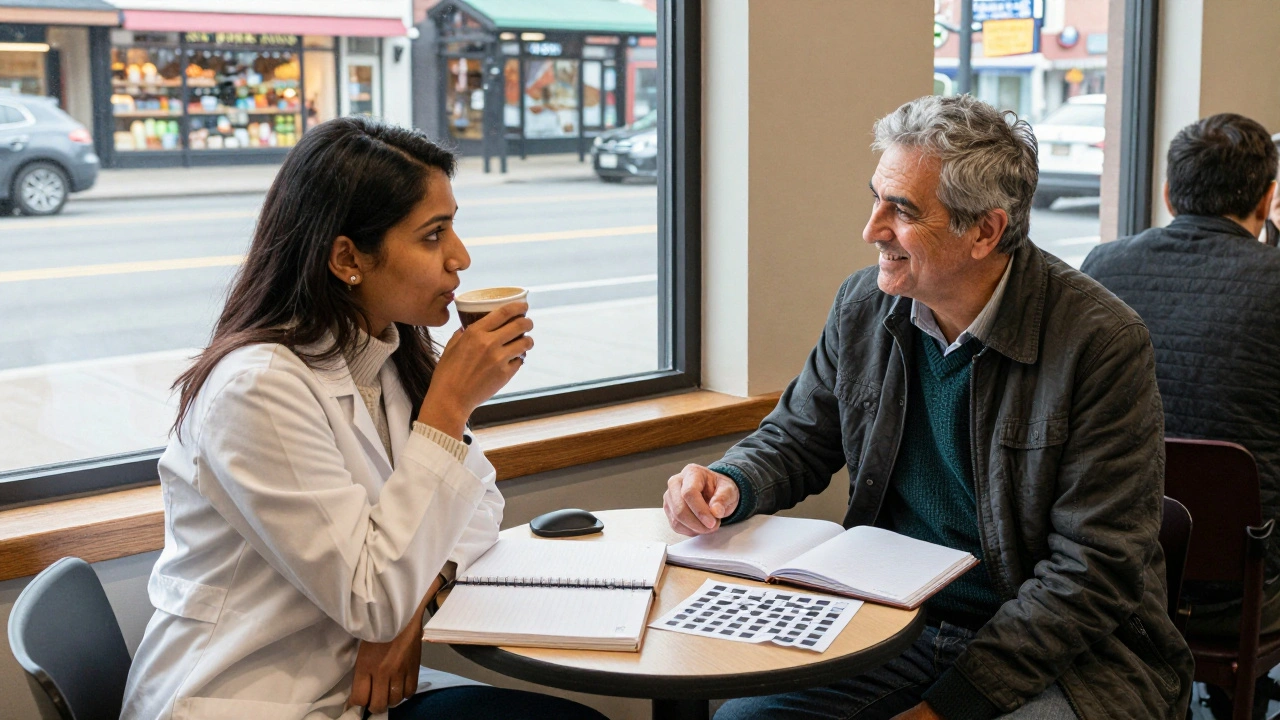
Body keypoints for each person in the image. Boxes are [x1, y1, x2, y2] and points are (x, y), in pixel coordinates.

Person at [664, 95, 1194, 720]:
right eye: (875, 198)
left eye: (903, 211)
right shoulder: (864, 304)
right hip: (895, 624)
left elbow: (1090, 573)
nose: (871, 230)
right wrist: (730, 481)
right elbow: (798, 436)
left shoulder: (1099, 341)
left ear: (986, 231)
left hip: (1066, 654)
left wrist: (949, 708)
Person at [120, 116, 605, 720]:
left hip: (349, 686)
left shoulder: (386, 354)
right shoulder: (259, 390)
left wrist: (414, 607)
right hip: (251, 699)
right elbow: (370, 598)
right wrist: (450, 407)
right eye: (433, 236)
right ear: (348, 258)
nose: (461, 258)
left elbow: (479, 509)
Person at [1082, 113, 1280, 719]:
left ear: (1169, 193)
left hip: (1110, 570)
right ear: (1268, 197)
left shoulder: (1101, 268)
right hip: (1245, 590)